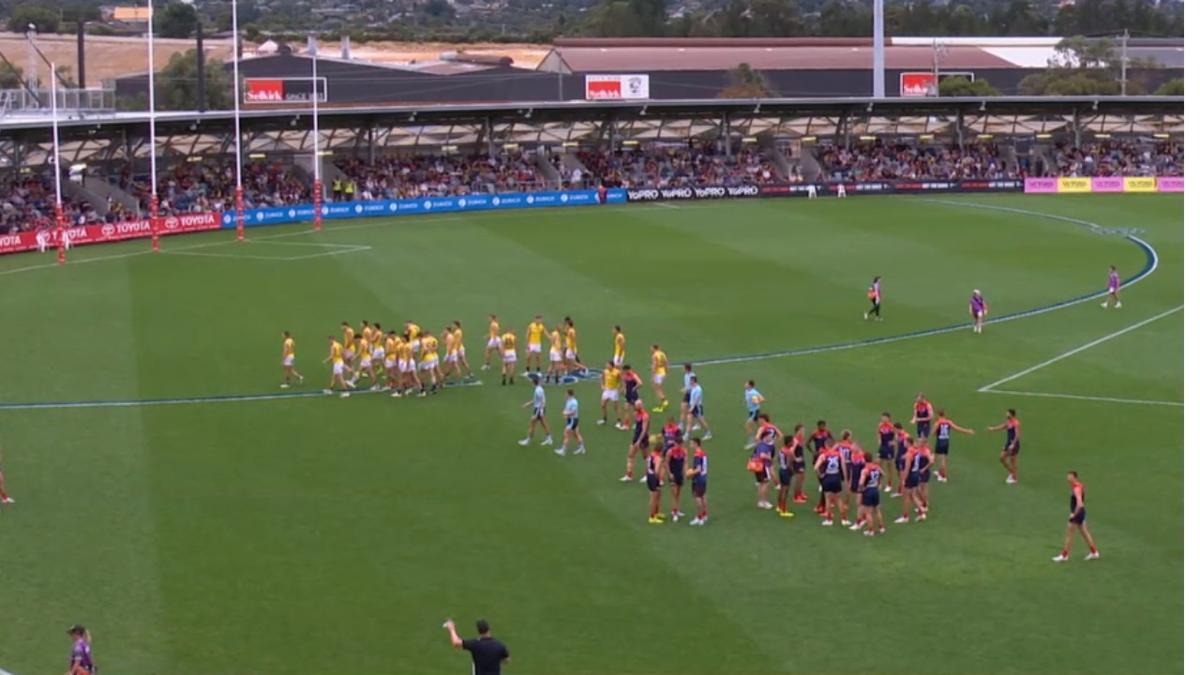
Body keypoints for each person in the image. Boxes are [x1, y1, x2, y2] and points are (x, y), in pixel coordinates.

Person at [1053, 471, 1101, 562]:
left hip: (1077, 513)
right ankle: (1094, 552)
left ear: (1075, 477)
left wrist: (1073, 514)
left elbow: (1079, 504)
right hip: (1081, 513)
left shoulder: (1076, 488)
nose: (1068, 477)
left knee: (1069, 534)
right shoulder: (1078, 486)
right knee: (1085, 533)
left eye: (1070, 476)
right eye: (1067, 476)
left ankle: (1064, 555)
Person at [444, 619, 510, 675]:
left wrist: (451, 629)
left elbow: (456, 643)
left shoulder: (475, 644)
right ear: (489, 629)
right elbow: (506, 660)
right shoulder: (499, 645)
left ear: (478, 631)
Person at [932, 409, 974, 482]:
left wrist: (935, 432)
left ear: (938, 415)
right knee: (943, 457)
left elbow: (933, 433)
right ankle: (940, 472)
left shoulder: (938, 423)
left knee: (941, 459)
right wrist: (967, 431)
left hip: (940, 441)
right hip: (946, 441)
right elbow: (957, 428)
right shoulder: (948, 422)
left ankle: (943, 476)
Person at [815, 437, 847, 527]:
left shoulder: (824, 455)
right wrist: (845, 477)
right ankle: (844, 519)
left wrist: (821, 475)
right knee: (839, 499)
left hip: (827, 477)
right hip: (836, 476)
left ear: (826, 445)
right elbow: (844, 467)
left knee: (828, 499)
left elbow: (816, 467)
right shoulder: (839, 455)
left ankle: (829, 520)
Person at [518, 375, 553, 447]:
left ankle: (528, 440)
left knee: (532, 424)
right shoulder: (539, 388)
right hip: (540, 409)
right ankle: (549, 438)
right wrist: (528, 404)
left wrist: (538, 412)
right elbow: (536, 400)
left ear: (533, 382)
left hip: (539, 409)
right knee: (543, 424)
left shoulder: (538, 390)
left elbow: (541, 402)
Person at [988, 409, 1022, 484]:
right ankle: (1012, 473)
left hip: (1014, 444)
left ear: (1012, 414)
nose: (1006, 414)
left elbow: (1017, 435)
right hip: (1008, 443)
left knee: (1013, 461)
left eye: (1008, 413)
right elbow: (1002, 427)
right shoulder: (1008, 422)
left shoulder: (1016, 423)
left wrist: (1013, 444)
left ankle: (1015, 478)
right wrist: (993, 429)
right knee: (1001, 458)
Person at [620, 400, 651, 482]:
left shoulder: (645, 416)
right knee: (630, 455)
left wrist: (639, 441)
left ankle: (647, 475)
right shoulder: (636, 414)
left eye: (636, 405)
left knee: (646, 457)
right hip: (636, 437)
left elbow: (644, 430)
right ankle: (629, 475)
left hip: (642, 438)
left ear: (640, 406)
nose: (635, 406)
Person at [857, 453, 885, 537]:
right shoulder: (876, 467)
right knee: (877, 510)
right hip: (875, 489)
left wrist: (861, 489)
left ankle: (870, 530)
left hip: (868, 490)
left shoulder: (865, 470)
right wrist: (879, 483)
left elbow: (861, 483)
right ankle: (882, 527)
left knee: (868, 512)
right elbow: (883, 474)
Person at [666, 428, 688, 522]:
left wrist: (685, 471)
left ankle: (676, 509)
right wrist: (669, 473)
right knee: (674, 493)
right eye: (677, 444)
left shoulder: (684, 451)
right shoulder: (670, 452)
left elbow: (685, 462)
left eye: (680, 444)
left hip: (679, 474)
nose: (678, 446)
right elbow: (666, 463)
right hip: (673, 474)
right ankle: (674, 513)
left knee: (678, 493)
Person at [555, 388, 585, 456]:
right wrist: (565, 414)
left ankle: (563, 451)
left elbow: (573, 412)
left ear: (569, 394)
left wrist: (566, 414)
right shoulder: (568, 400)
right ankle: (582, 448)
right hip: (571, 420)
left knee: (566, 435)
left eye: (566, 393)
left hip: (573, 420)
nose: (565, 395)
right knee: (576, 434)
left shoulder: (574, 402)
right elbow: (567, 409)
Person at [686, 437, 709, 525]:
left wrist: (689, 473)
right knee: (703, 496)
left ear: (696, 444)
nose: (690, 445)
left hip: (698, 479)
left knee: (697, 497)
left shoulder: (697, 455)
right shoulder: (703, 453)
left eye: (691, 443)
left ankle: (699, 517)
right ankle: (705, 515)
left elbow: (698, 469)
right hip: (704, 478)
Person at [775, 434, 798, 518]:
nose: (793, 443)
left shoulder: (781, 449)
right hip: (786, 472)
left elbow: (778, 459)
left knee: (781, 488)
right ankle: (783, 510)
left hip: (781, 469)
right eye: (792, 442)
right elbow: (789, 464)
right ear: (789, 443)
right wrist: (793, 472)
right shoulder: (789, 452)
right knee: (785, 490)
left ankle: (779, 506)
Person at [646, 441, 667, 524]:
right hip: (653, 477)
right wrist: (659, 479)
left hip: (650, 476)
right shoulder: (658, 458)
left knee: (658, 495)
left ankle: (656, 513)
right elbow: (657, 470)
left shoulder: (652, 454)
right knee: (654, 497)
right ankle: (652, 516)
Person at [788, 424, 808, 504]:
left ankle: (800, 493)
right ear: (798, 431)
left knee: (802, 477)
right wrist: (795, 459)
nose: (803, 432)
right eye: (802, 431)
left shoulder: (800, 439)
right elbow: (791, 451)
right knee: (798, 479)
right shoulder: (795, 440)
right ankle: (796, 497)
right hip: (798, 463)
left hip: (801, 461)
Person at [618, 365, 643, 431]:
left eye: (624, 370)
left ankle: (637, 423)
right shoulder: (625, 375)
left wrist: (634, 388)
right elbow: (624, 384)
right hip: (628, 395)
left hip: (633, 395)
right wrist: (623, 389)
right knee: (626, 409)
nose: (623, 372)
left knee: (636, 410)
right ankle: (626, 425)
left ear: (628, 370)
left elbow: (640, 383)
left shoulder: (633, 375)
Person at [876, 413, 897, 493]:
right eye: (882, 418)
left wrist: (894, 442)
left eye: (885, 418)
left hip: (889, 448)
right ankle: (878, 482)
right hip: (882, 447)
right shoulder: (880, 425)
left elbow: (896, 435)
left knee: (889, 466)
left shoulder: (891, 426)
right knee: (879, 465)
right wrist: (879, 440)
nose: (883, 419)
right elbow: (878, 433)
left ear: (889, 418)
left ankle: (889, 484)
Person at [743, 380, 765, 450]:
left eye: (746, 383)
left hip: (755, 411)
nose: (745, 384)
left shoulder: (753, 392)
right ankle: (764, 436)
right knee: (759, 425)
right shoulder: (746, 391)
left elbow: (762, 399)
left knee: (747, 425)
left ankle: (752, 442)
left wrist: (756, 401)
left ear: (750, 385)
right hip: (751, 411)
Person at [597, 360, 621, 425]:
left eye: (608, 365)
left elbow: (620, 380)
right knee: (603, 405)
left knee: (616, 407)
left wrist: (619, 387)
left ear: (611, 365)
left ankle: (619, 421)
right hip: (607, 390)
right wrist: (602, 385)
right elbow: (601, 377)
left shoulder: (617, 372)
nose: (606, 366)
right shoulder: (605, 371)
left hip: (614, 391)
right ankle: (604, 419)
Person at [417, 331, 441, 396]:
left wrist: (420, 358)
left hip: (426, 358)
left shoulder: (423, 340)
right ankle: (434, 386)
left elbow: (425, 350)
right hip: (432, 356)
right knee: (432, 372)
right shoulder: (433, 339)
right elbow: (436, 347)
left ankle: (423, 390)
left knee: (421, 374)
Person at [650, 344, 669, 412]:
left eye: (651, 348)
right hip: (663, 371)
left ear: (654, 348)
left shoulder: (654, 355)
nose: (650, 350)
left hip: (658, 373)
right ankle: (663, 402)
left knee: (657, 388)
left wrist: (653, 375)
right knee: (659, 387)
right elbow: (666, 362)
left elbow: (654, 365)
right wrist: (666, 371)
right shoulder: (662, 353)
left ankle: (663, 402)